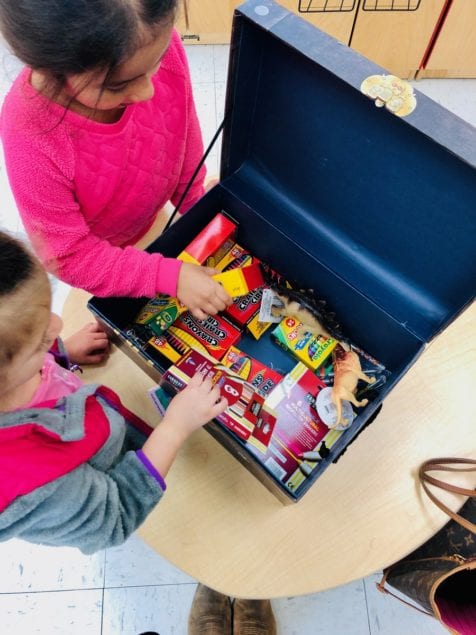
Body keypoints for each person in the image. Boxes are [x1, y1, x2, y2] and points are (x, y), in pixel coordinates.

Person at [0, 0, 231, 320]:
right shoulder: (31, 132)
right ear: (48, 67)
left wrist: (197, 210)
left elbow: (183, 135)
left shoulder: (152, 47)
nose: (147, 91)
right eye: (118, 85)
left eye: (157, 62)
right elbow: (70, 257)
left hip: (155, 221)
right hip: (105, 257)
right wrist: (168, 276)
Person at [0, 231, 228, 553]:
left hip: (94, 418)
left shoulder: (12, 370)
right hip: (112, 467)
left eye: (46, 310)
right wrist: (174, 428)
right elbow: (116, 515)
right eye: (39, 340)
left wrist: (58, 352)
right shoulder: (36, 484)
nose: (57, 323)